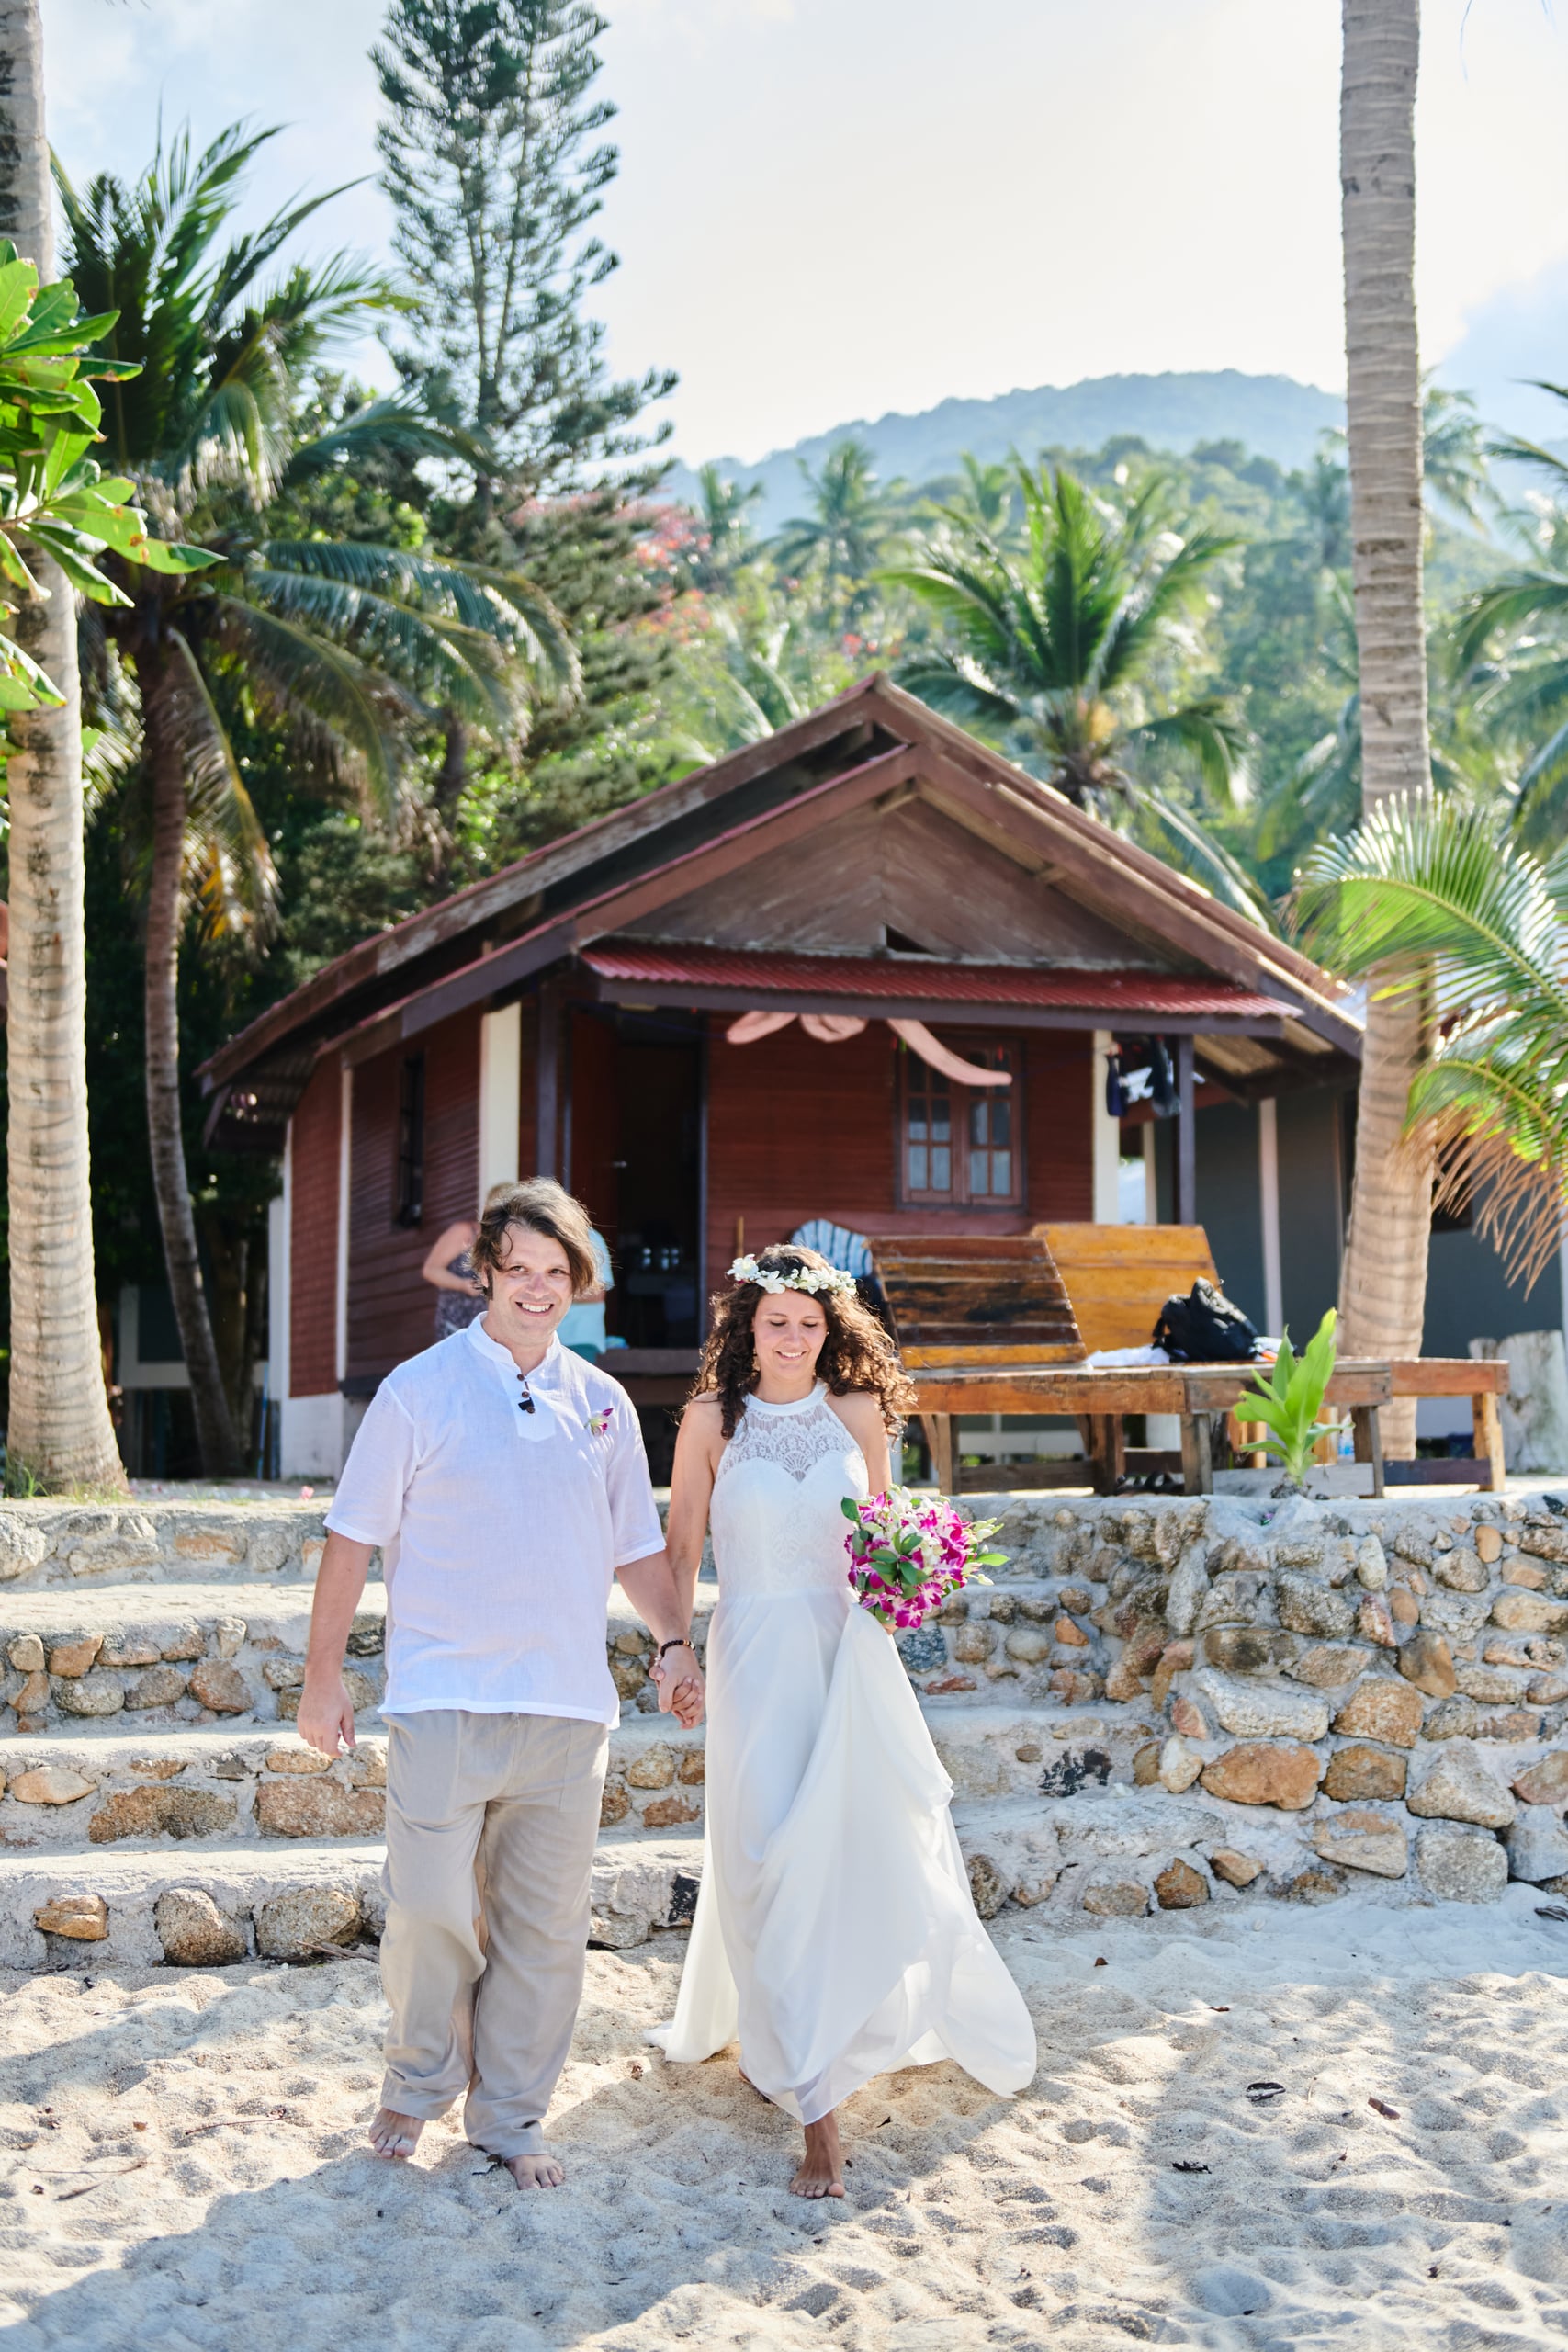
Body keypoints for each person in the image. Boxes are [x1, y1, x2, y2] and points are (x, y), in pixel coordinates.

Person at [297, 1177, 704, 2192]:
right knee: (430, 1907)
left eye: (555, 1273)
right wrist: (322, 1677)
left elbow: (637, 1552)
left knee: (544, 1930)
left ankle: (513, 2114)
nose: (535, 1288)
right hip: (441, 1699)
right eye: (517, 1269)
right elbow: (352, 1541)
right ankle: (419, 2077)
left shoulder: (603, 1403)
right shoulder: (418, 1390)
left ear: (578, 1283)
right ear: (486, 1272)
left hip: (569, 1710)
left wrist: (675, 1642)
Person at [651, 1243, 1035, 2199]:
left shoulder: (859, 1414)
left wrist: (914, 1573)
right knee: (764, 1856)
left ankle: (819, 2114)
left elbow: (888, 1536)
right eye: (774, 1321)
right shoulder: (709, 1419)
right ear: (748, 1325)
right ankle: (786, 2049)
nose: (790, 1338)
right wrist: (674, 1646)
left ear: (834, 1329)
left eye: (808, 1323)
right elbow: (682, 1543)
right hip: (750, 1654)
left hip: (844, 1656)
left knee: (839, 1850)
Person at [421, 1183, 515, 1341]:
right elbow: (431, 1270)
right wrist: (463, 1285)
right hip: (456, 1325)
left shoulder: (509, 1244)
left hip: (490, 1332)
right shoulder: (465, 1232)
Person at [557, 1222, 614, 1363]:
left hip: (577, 1340)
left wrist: (551, 1295)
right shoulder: (533, 1235)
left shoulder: (590, 1237)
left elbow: (597, 1293)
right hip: (535, 1339)